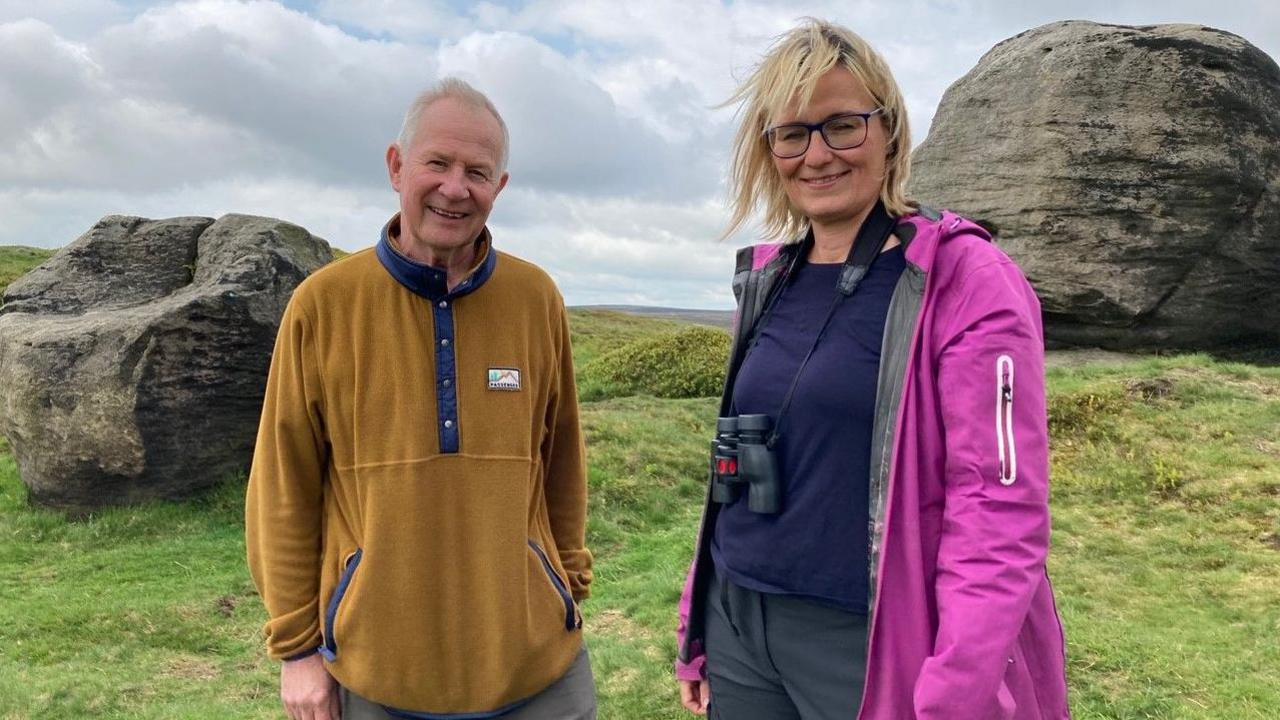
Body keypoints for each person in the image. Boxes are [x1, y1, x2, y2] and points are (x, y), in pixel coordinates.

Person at [675, 19, 1070, 720]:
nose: (816, 154)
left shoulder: (967, 278)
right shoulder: (771, 278)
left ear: (889, 131)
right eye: (791, 133)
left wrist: (958, 687)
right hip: (740, 620)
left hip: (871, 637)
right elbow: (729, 463)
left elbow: (999, 506)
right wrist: (697, 626)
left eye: (842, 126)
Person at [246, 77, 596, 720]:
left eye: (478, 171)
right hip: (378, 672)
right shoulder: (323, 305)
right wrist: (297, 650)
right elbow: (283, 485)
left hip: (539, 668)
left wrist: (567, 584)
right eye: (438, 163)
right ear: (397, 165)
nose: (456, 188)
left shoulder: (535, 297)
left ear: (501, 187)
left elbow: (563, 459)